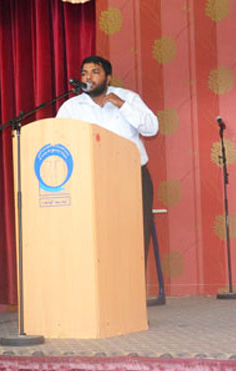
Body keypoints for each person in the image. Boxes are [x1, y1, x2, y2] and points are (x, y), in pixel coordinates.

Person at [56, 55, 159, 264]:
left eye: (95, 72)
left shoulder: (128, 98)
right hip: (91, 181)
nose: (88, 77)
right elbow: (59, 141)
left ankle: (133, 282)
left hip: (133, 177)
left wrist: (122, 105)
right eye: (84, 73)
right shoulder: (71, 107)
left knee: (135, 236)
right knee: (98, 237)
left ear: (108, 77)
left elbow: (152, 128)